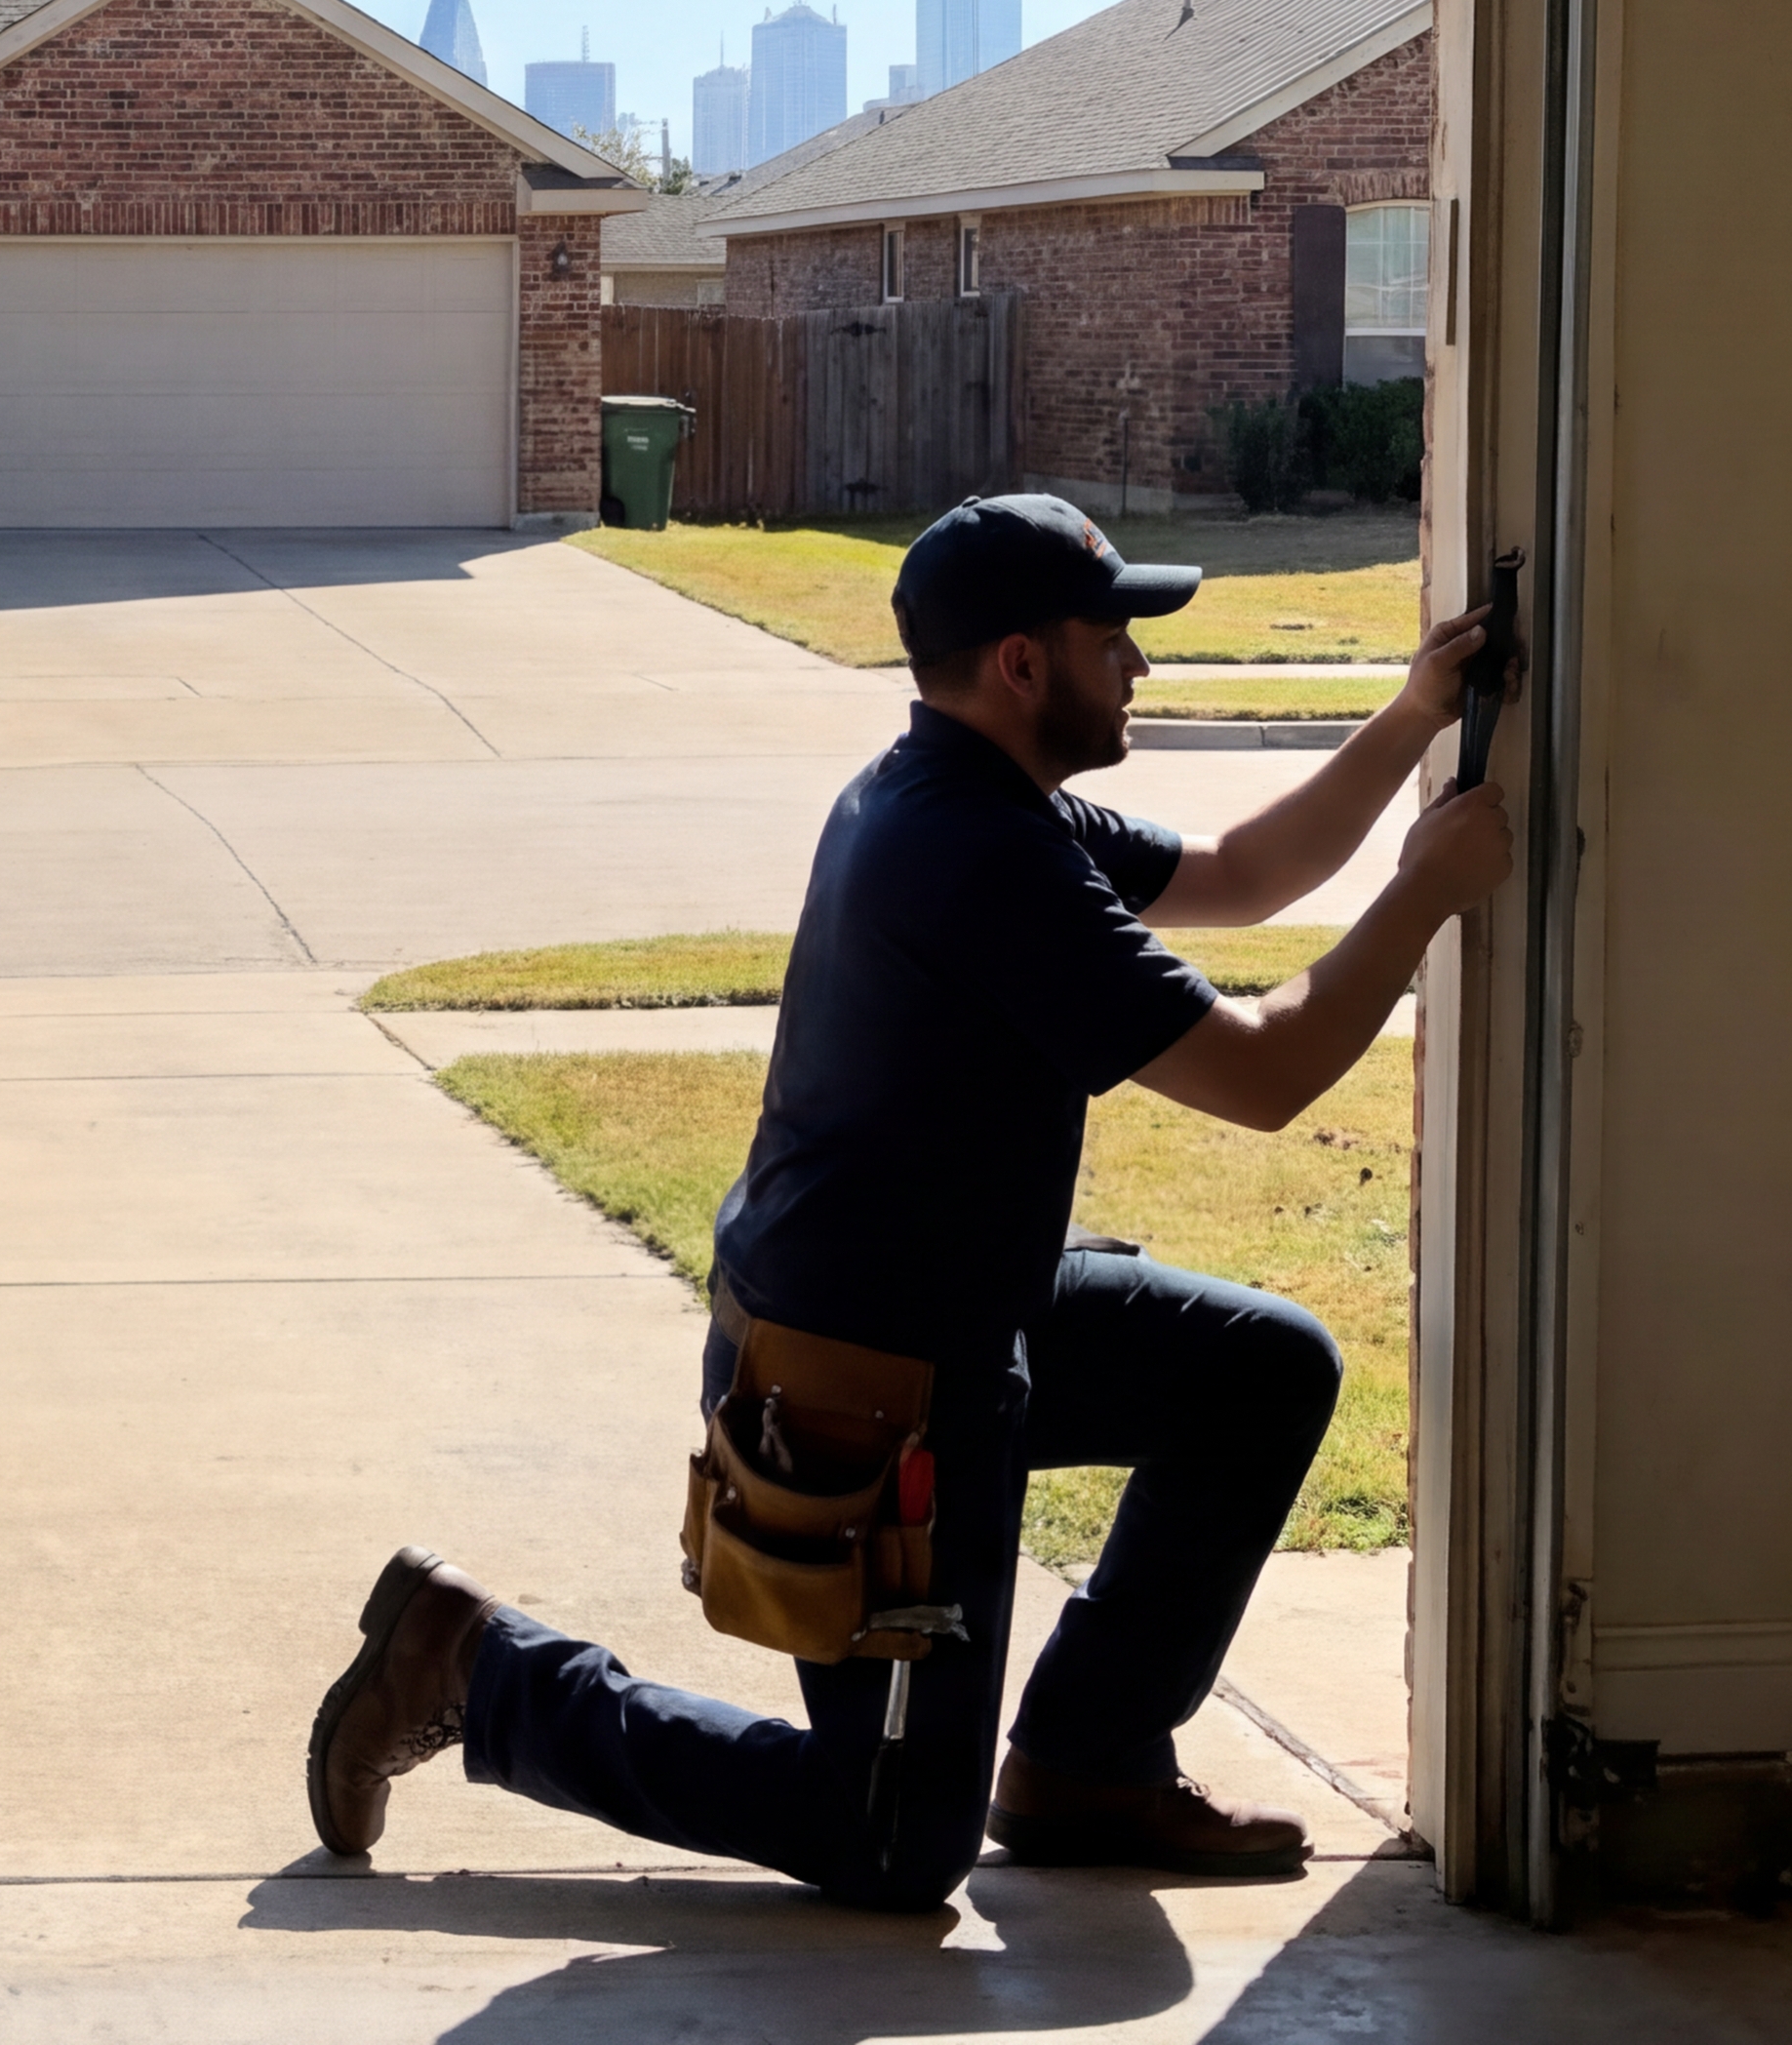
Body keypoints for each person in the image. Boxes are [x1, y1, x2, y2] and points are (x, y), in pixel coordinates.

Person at [303, 492, 1514, 1908]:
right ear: (1021, 663)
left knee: (1256, 1370)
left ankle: (1090, 1759)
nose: (1136, 665)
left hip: (961, 1318)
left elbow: (1244, 877)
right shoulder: (978, 856)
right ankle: (476, 1670)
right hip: (861, 1396)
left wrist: (1415, 714)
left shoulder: (979, 791)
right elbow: (1262, 1076)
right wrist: (1426, 893)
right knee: (890, 1841)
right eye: (1112, 636)